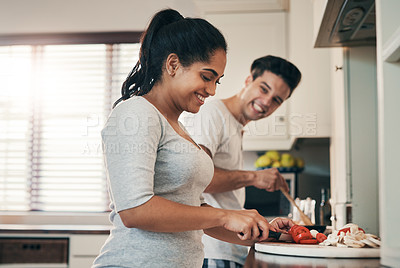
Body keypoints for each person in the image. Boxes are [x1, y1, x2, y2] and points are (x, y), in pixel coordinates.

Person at [92, 9, 290, 268]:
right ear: (173, 65)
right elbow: (134, 210)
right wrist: (225, 215)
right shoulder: (136, 113)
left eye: (217, 81)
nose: (211, 90)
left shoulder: (179, 128)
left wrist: (266, 231)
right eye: (206, 77)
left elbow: (199, 214)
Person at [182, 55, 302, 267]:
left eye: (276, 100)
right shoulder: (213, 113)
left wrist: (268, 227)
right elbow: (200, 180)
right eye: (264, 89)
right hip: (214, 251)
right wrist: (254, 177)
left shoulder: (235, 126)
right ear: (248, 81)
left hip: (231, 249)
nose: (266, 102)